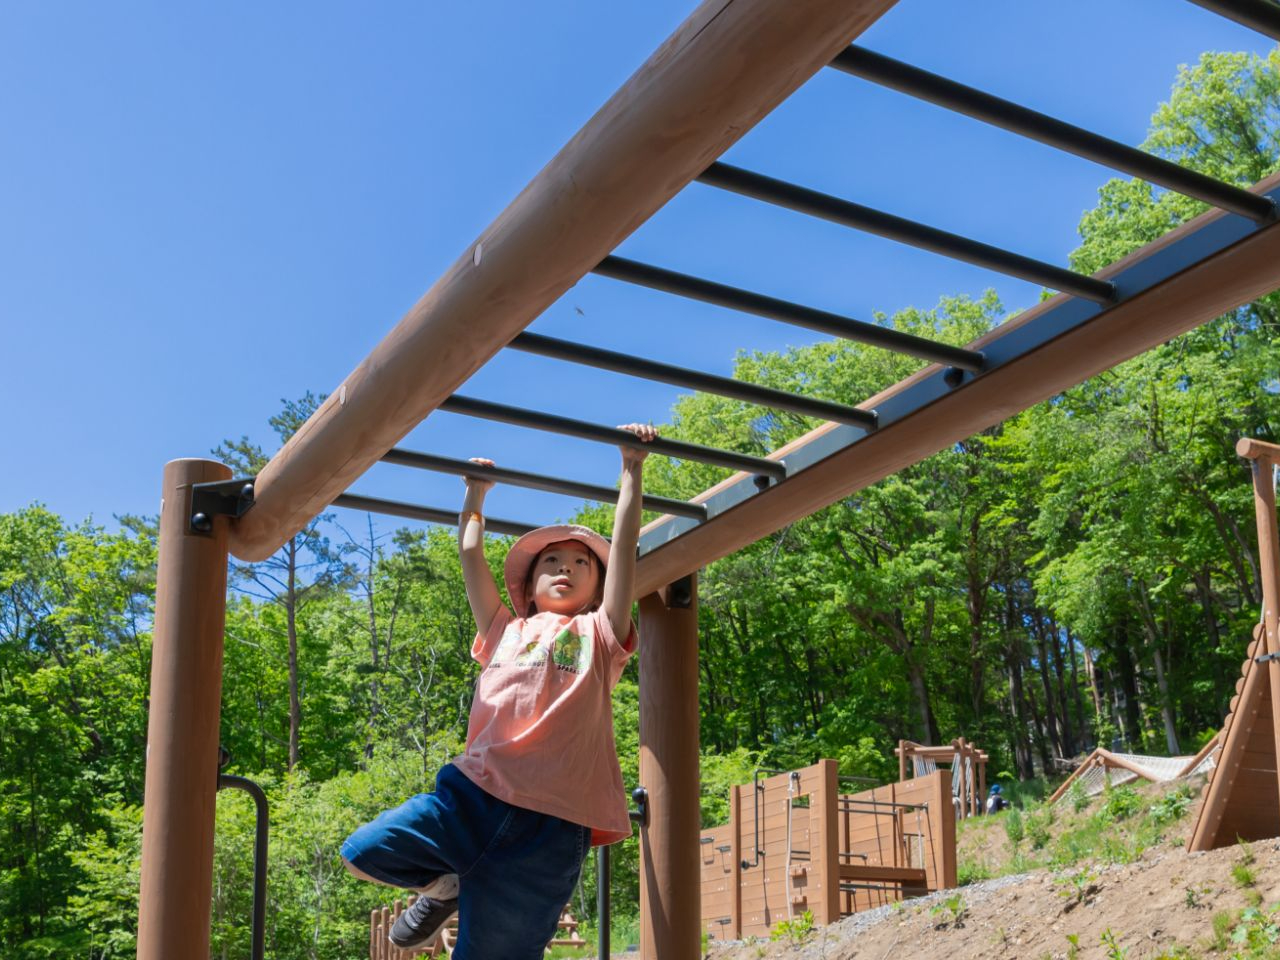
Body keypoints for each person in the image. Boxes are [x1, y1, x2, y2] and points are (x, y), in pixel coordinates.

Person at [340, 423, 658, 958]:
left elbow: (623, 547)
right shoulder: (503, 630)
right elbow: (469, 554)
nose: (566, 569)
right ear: (527, 590)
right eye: (552, 563)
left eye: (581, 564)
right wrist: (475, 494)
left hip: (555, 824)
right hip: (476, 796)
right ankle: (447, 885)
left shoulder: (599, 634)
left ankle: (460, 888)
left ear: (596, 589)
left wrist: (631, 468)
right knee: (365, 850)